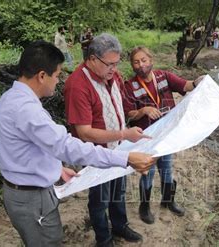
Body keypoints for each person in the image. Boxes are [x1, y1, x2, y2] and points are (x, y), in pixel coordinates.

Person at [0, 40, 155, 247]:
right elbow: (68, 145)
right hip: (32, 198)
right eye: (57, 75)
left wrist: (56, 168)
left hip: (29, 191)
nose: (58, 81)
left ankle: (119, 226)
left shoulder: (10, 99)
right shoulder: (28, 109)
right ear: (42, 76)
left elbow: (22, 147)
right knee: (48, 241)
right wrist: (126, 158)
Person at [64, 33, 146, 247]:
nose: (114, 69)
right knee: (100, 198)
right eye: (109, 64)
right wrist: (124, 134)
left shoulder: (113, 76)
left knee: (118, 190)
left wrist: (129, 128)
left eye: (117, 64)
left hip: (119, 148)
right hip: (95, 155)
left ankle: (120, 226)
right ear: (92, 59)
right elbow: (84, 133)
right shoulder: (77, 85)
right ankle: (104, 238)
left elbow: (121, 107)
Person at [124, 46, 204, 224]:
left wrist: (198, 81)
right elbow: (129, 113)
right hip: (147, 139)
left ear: (151, 60)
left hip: (167, 136)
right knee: (148, 173)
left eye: (144, 60)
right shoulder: (129, 86)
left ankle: (168, 201)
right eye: (136, 62)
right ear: (132, 65)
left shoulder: (164, 76)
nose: (141, 64)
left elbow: (186, 85)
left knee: (167, 171)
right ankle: (144, 207)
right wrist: (143, 110)